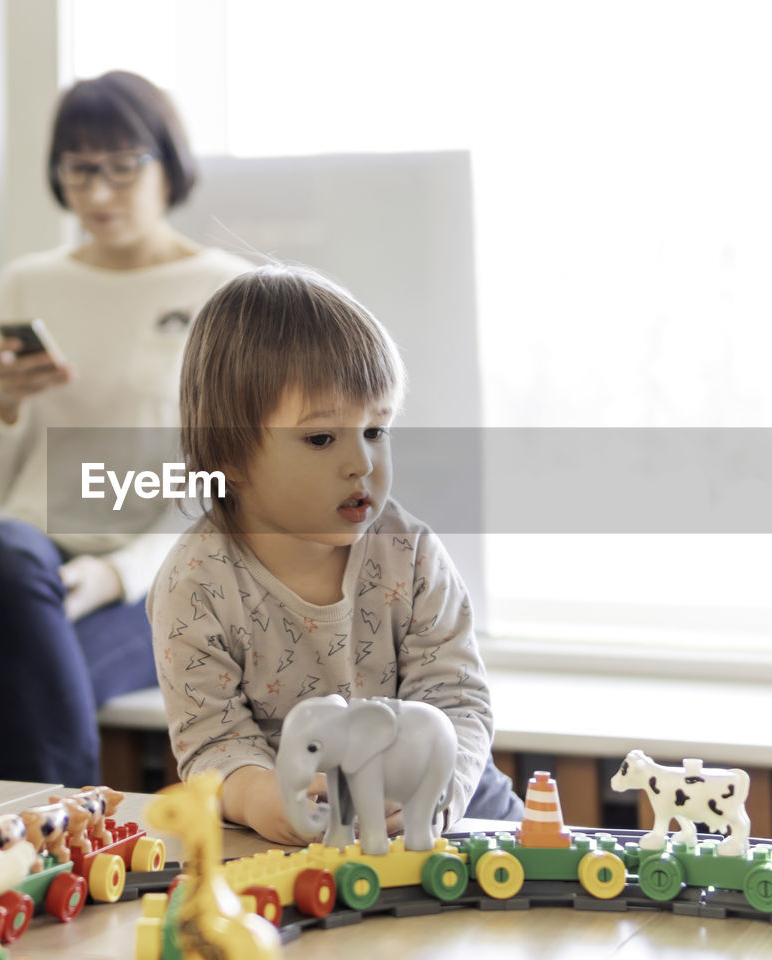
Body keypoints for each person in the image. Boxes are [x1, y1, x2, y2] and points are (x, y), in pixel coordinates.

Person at [148, 265, 522, 845]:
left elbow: (456, 699)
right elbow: (211, 739)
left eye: (376, 430)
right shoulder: (194, 582)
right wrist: (258, 796)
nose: (362, 464)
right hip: (307, 823)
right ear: (230, 458)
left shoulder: (410, 551)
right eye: (322, 438)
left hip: (457, 797)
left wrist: (437, 792)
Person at [0, 70, 251, 786]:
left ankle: (55, 849)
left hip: (165, 575)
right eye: (79, 171)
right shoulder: (29, 283)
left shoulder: (226, 292)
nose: (99, 194)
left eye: (122, 168)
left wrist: (118, 573)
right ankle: (73, 844)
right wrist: (3, 406)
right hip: (35, 564)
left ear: (168, 162)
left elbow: (235, 484)